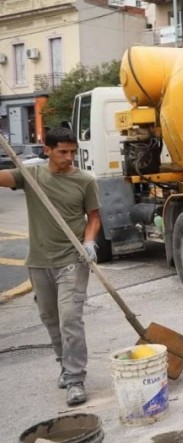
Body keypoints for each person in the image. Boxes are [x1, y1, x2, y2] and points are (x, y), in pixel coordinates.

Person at [0, 127, 101, 406]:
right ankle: (64, 365)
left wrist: (90, 243)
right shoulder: (31, 176)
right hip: (39, 260)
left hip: (73, 259)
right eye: (62, 152)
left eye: (72, 152)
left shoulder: (85, 181)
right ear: (47, 150)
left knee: (70, 318)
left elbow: (93, 217)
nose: (69, 157)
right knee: (50, 318)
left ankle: (75, 379)